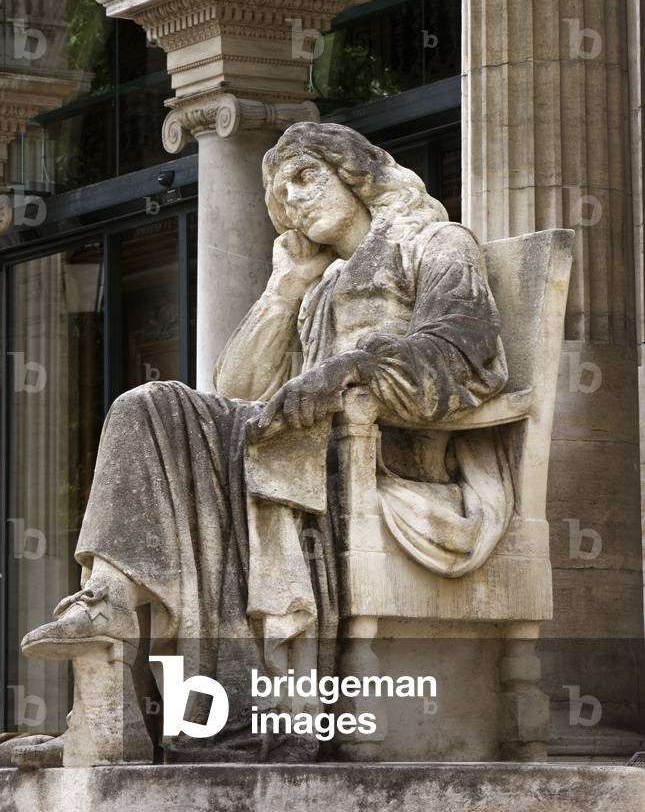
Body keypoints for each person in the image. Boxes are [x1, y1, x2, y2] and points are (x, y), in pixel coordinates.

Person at [19, 122, 511, 764]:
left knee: (210, 456)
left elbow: (468, 354)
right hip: (297, 455)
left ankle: (219, 709)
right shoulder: (319, 286)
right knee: (151, 403)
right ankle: (107, 608)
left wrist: (351, 370)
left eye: (307, 176)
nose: (295, 197)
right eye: (283, 190)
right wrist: (285, 289)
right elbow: (239, 383)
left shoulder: (433, 244)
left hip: (386, 461)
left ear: (355, 173)